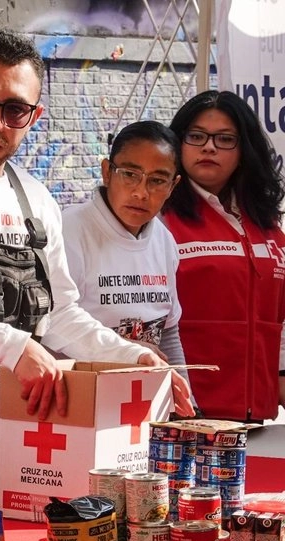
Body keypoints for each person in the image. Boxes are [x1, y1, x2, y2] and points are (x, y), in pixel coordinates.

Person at [0, 30, 193, 536]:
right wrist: (15, 345)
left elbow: (61, 311)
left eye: (14, 111)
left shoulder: (39, 201)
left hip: (22, 456)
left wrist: (130, 356)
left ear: (34, 117)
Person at [161, 90, 285, 422]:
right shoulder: (157, 217)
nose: (209, 147)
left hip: (254, 414)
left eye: (225, 139)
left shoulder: (267, 224)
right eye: (196, 136)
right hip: (184, 414)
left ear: (244, 150)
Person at [62, 120, 186, 364]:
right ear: (107, 172)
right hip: (81, 392)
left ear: (173, 186)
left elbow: (169, 333)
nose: (141, 192)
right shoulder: (68, 231)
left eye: (157, 181)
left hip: (142, 393)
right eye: (130, 175)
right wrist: (123, 349)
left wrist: (187, 399)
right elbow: (53, 326)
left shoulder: (164, 241)